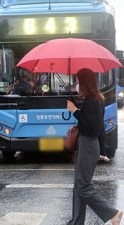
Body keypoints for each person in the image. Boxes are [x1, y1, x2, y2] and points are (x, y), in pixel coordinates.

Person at [66, 68, 122, 225]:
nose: (77, 84)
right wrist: (102, 150)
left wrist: (75, 111)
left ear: (84, 82)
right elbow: (100, 127)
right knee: (79, 185)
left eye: (78, 81)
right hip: (90, 144)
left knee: (83, 186)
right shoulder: (96, 99)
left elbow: (89, 127)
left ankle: (112, 213)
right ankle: (76, 222)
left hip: (88, 143)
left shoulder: (92, 101)